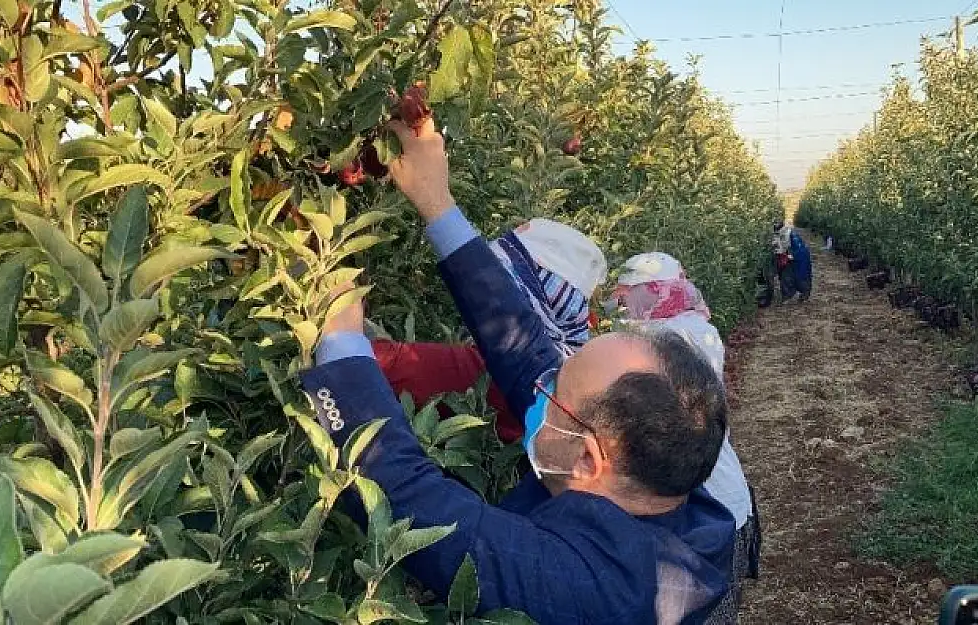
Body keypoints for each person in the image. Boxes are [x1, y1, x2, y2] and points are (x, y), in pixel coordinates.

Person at [298, 117, 736, 624]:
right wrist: (437, 203)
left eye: (554, 393)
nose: (541, 384)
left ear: (589, 460)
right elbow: (524, 348)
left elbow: (402, 493)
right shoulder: (659, 479)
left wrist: (340, 338)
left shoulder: (593, 591)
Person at [608, 252, 762, 623]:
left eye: (629, 297)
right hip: (719, 501)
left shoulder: (672, 341)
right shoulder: (695, 328)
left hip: (707, 513)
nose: (623, 306)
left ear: (655, 293)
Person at [373, 218, 607, 443]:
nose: (481, 297)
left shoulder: (494, 372)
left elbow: (385, 365)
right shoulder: (565, 385)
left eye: (500, 287)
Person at [772, 220, 812, 303]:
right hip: (788, 257)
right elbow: (780, 245)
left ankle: (804, 294)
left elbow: (800, 250)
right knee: (786, 276)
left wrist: (793, 255)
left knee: (801, 276)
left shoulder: (792, 236)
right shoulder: (781, 234)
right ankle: (786, 296)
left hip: (799, 259)